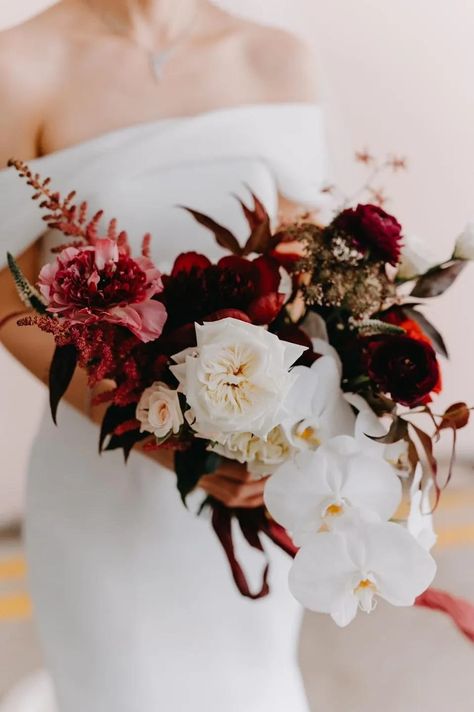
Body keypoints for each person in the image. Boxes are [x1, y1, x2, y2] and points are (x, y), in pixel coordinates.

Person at [0, 1, 326, 710]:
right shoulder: (20, 65)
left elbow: (305, 267)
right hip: (104, 465)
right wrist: (158, 434)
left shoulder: (275, 58)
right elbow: (7, 290)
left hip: (253, 468)